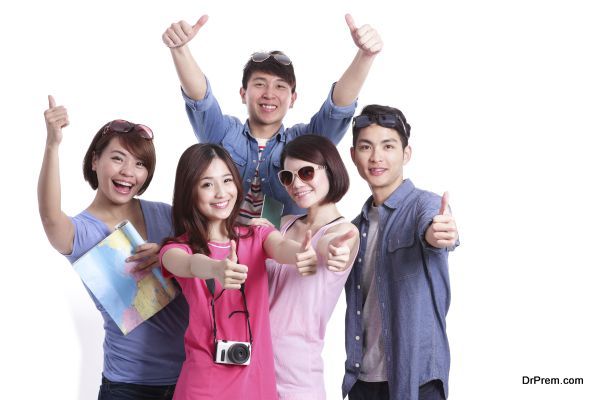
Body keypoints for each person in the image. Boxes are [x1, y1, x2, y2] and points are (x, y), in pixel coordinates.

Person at [37, 96, 189, 399]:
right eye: (118, 158)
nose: (128, 171)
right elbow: (50, 217)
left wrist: (168, 255)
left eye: (140, 163)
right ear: (95, 161)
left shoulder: (166, 215)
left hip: (190, 376)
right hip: (127, 385)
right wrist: (53, 144)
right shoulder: (81, 232)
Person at [161, 13, 382, 220]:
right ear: (243, 93)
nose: (269, 94)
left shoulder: (304, 142)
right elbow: (200, 100)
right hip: (225, 253)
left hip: (285, 254)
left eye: (280, 86)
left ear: (293, 98)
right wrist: (180, 50)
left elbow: (337, 109)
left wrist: (365, 56)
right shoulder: (224, 133)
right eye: (259, 84)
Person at [158, 143, 318, 400]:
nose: (221, 192)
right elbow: (187, 265)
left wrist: (301, 253)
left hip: (257, 384)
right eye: (207, 184)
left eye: (227, 180)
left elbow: (281, 247)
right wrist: (215, 268)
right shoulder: (176, 249)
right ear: (190, 192)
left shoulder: (256, 235)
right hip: (204, 387)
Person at [342, 105, 459, 400]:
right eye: (366, 147)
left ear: (406, 154)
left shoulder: (426, 206)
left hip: (416, 381)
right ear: (354, 155)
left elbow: (435, 231)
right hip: (362, 382)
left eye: (388, 146)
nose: (376, 157)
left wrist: (439, 234)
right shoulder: (353, 228)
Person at [262, 135, 359, 399]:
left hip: (297, 376)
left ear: (330, 168)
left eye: (306, 172)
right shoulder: (283, 224)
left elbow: (331, 245)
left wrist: (335, 251)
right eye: (288, 177)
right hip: (253, 364)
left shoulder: (343, 231)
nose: (297, 184)